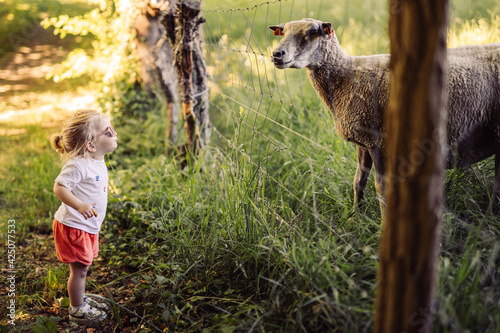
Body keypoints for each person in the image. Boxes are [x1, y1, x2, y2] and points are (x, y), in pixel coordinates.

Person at [50, 109, 118, 322]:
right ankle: (77, 309)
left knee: (83, 268)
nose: (114, 132)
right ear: (90, 145)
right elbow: (59, 187)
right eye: (108, 131)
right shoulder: (78, 164)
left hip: (86, 225)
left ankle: (79, 299)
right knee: (79, 271)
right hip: (74, 226)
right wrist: (79, 205)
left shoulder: (95, 159)